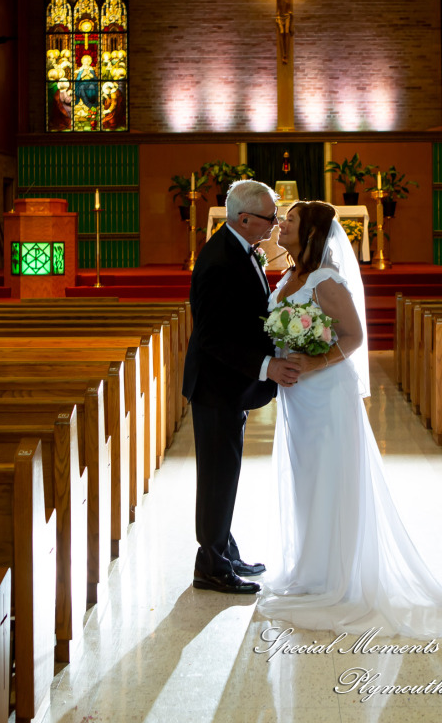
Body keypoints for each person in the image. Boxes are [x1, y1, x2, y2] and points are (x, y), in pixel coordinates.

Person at [257, 200, 442, 636]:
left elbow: (356, 337)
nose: (281, 224)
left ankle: (333, 576)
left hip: (325, 393)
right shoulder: (289, 276)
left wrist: (310, 364)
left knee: (329, 475)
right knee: (306, 476)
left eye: (291, 220)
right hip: (297, 398)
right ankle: (309, 567)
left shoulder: (326, 280)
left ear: (310, 234)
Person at [182, 179, 300, 596]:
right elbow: (213, 338)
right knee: (217, 476)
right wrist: (267, 365)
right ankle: (210, 565)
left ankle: (223, 550)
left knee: (224, 473)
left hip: (228, 385)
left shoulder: (237, 247)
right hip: (216, 385)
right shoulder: (218, 259)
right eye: (271, 217)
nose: (275, 224)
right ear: (245, 218)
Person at [246, 0, 318, 64]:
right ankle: (283, 54)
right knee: (281, 33)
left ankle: (286, 54)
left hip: (287, 16)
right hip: (279, 16)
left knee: (286, 33)